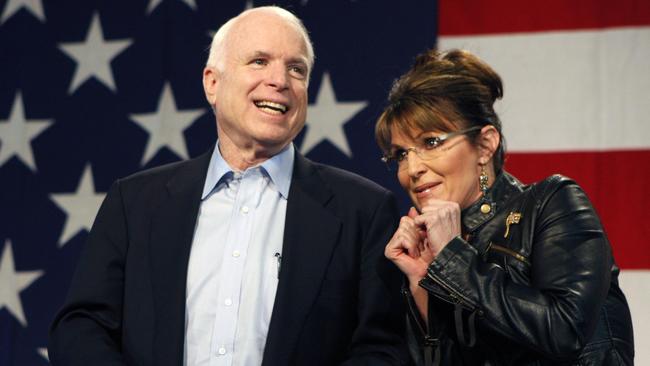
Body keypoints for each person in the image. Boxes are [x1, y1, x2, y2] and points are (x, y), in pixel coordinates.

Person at [49, 6, 410, 366]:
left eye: (296, 69)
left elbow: (383, 349)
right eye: (258, 61)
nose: (280, 81)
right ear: (212, 84)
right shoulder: (135, 202)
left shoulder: (362, 210)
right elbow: (80, 328)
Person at [376, 48, 634, 365]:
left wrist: (453, 260)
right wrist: (421, 284)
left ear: (485, 145)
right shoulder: (429, 251)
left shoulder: (552, 202)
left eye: (430, 142)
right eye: (401, 154)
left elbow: (564, 330)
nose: (411, 168)